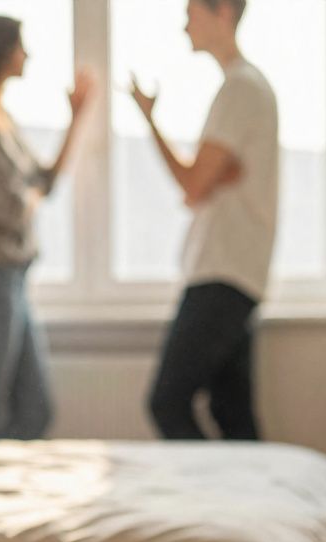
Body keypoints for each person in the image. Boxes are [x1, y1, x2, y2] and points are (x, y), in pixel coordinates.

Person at [0, 15, 93, 441]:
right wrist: (27, 194)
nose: (27, 54)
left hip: (12, 280)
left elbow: (42, 183)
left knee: (35, 411)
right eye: (20, 46)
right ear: (2, 53)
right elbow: (10, 208)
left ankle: (10, 496)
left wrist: (76, 118)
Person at [130, 0, 278, 440]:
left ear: (222, 15)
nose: (183, 24)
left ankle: (217, 500)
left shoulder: (241, 88)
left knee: (167, 401)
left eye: (191, 13)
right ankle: (248, 501)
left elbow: (193, 185)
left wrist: (149, 118)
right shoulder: (247, 88)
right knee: (232, 411)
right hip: (235, 269)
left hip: (223, 271)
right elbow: (206, 182)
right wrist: (210, 177)